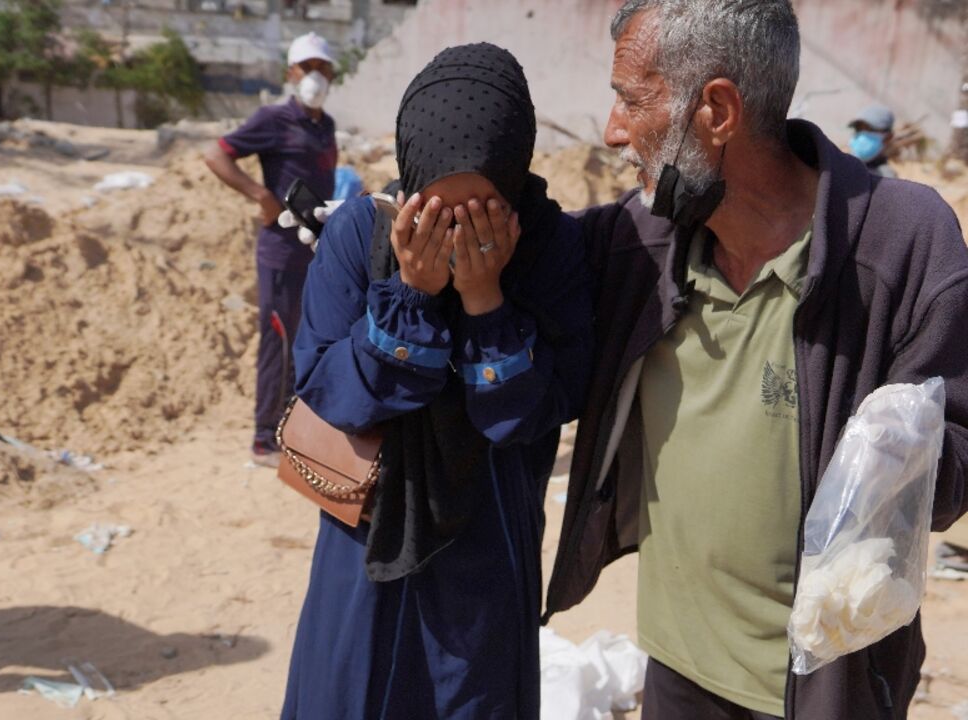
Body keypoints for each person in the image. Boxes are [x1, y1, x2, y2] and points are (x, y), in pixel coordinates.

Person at [544, 2, 968, 719]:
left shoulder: (901, 244)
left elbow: (956, 467)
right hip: (675, 673)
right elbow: (518, 249)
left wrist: (908, 443)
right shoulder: (640, 243)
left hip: (823, 688)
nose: (614, 131)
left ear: (716, 109)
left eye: (631, 101)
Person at [281, 44, 593, 719]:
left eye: (480, 214)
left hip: (488, 545)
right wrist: (413, 303)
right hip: (365, 545)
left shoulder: (550, 251)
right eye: (436, 213)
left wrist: (485, 303)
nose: (456, 235)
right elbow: (324, 391)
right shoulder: (359, 238)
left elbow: (534, 413)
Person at [203, 33, 339, 468]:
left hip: (314, 250)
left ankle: (292, 428)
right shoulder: (273, 118)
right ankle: (265, 439)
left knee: (307, 344)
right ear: (291, 73)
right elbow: (216, 155)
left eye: (324, 67)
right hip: (281, 252)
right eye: (307, 67)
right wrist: (261, 196)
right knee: (278, 344)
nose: (315, 76)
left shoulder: (325, 125)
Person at [849, 104, 899, 178]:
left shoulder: (886, 179)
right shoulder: (839, 165)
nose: (862, 135)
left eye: (871, 129)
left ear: (888, 137)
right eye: (858, 129)